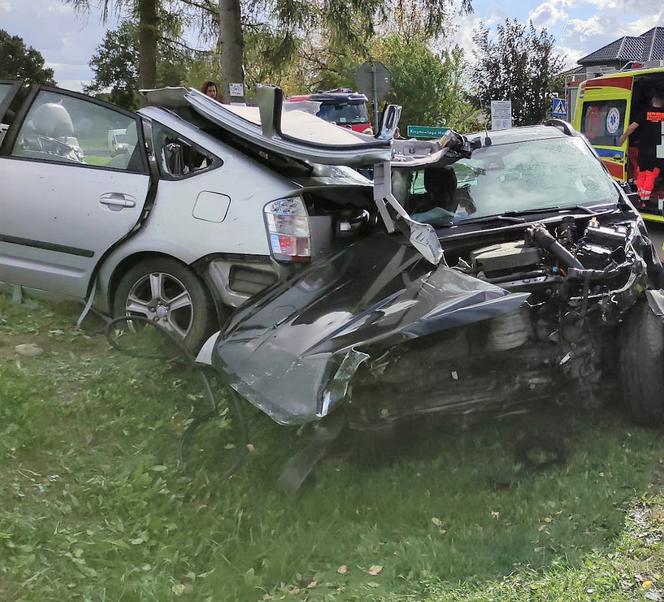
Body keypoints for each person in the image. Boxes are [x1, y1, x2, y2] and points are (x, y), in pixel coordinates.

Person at [619, 91, 664, 201]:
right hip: (658, 149)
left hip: (643, 149)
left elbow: (632, 128)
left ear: (652, 100)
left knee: (642, 173)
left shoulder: (645, 113)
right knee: (651, 174)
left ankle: (640, 197)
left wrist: (623, 138)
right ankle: (646, 198)